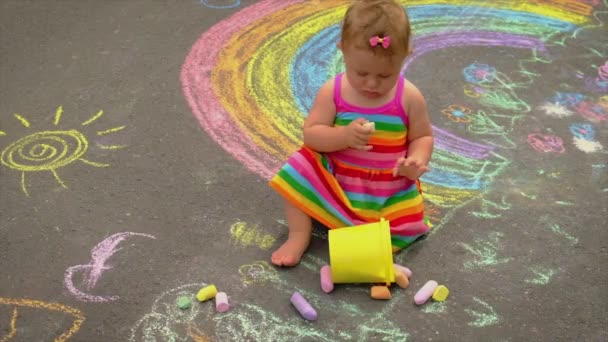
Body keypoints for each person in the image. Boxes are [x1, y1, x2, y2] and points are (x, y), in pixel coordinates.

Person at [269, 0, 434, 267]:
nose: (371, 83)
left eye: (384, 75)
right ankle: (299, 235)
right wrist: (343, 137)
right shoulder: (333, 92)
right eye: (361, 72)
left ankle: (365, 240)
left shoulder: (409, 97)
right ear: (342, 51)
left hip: (387, 192)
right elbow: (311, 135)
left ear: (406, 57)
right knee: (298, 168)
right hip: (339, 184)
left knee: (383, 241)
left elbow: (422, 137)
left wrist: (416, 160)